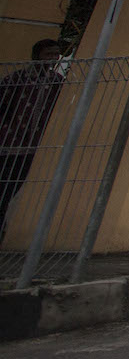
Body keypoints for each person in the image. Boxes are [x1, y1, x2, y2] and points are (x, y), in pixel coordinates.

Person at [0, 39, 64, 232]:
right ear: (37, 56)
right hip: (8, 144)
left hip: (33, 147)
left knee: (11, 189)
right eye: (48, 54)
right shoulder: (17, 78)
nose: (53, 59)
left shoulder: (56, 82)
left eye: (55, 54)